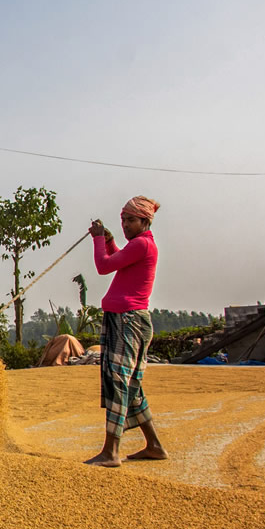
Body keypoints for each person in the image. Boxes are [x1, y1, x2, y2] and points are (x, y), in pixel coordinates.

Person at [84, 196, 168, 467]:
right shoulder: (138, 246)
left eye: (130, 220)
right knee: (131, 385)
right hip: (121, 319)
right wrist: (108, 240)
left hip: (129, 321)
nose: (125, 225)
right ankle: (154, 445)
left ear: (145, 221)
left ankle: (111, 452)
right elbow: (116, 257)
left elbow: (104, 266)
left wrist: (97, 240)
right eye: (122, 220)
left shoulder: (143, 244)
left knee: (119, 383)